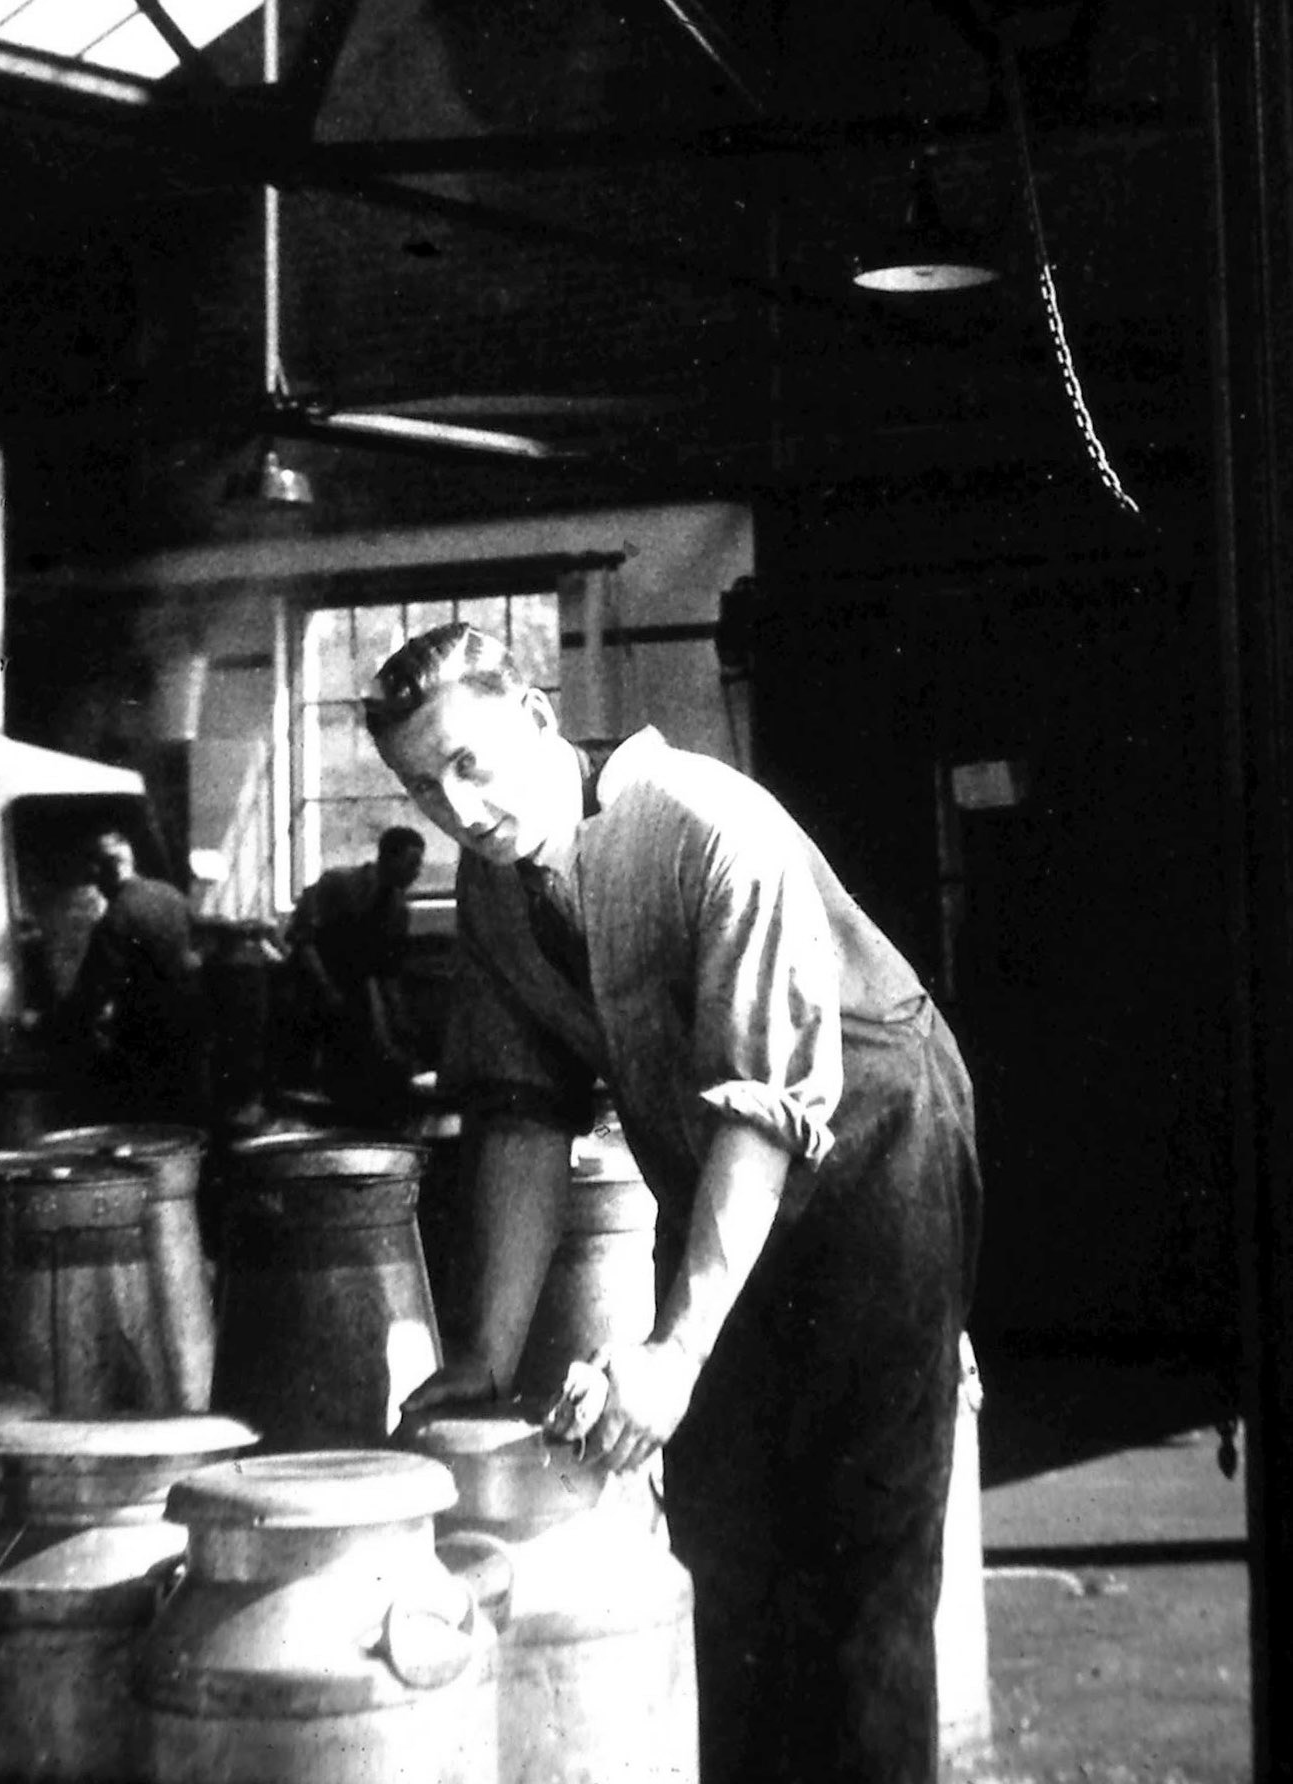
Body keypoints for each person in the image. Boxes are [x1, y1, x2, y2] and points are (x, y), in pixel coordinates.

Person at [364, 622, 981, 1784]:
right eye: (421, 786)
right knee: (721, 1540)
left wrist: (676, 1347)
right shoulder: (495, 894)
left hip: (873, 1154)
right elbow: (520, 1111)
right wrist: (486, 1350)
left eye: (471, 761)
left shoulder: (704, 823)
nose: (457, 808)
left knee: (855, 1557)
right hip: (718, 1175)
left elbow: (763, 1110)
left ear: (539, 718)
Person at [284, 826, 426, 1121]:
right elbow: (302, 940)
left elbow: (387, 974)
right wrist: (326, 990)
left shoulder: (398, 911)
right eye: (412, 863)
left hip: (355, 996)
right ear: (388, 857)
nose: (417, 872)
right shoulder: (337, 884)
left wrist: (398, 1023)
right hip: (309, 990)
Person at [67, 829, 207, 1123]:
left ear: (101, 871)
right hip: (191, 1024)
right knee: (185, 1120)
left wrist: (56, 1023)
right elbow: (197, 947)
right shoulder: (171, 895)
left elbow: (91, 990)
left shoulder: (117, 917)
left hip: (146, 1035)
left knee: (146, 1123)